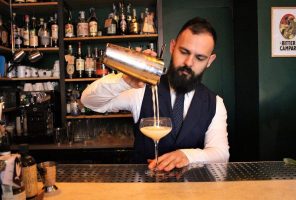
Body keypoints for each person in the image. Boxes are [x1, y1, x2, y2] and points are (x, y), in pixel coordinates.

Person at [81, 17, 229, 171]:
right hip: (144, 189)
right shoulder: (141, 89)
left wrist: (187, 156)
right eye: (184, 52)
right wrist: (125, 81)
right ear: (172, 47)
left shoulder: (215, 103)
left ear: (210, 61)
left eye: (200, 58)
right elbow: (89, 101)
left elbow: (221, 153)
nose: (189, 62)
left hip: (192, 192)